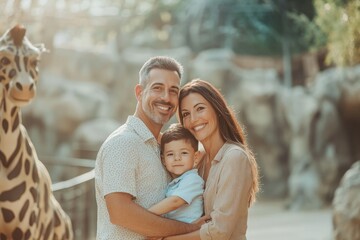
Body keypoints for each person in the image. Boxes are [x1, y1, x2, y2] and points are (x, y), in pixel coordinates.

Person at [95, 57, 207, 240]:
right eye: (157, 88)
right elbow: (120, 213)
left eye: (173, 91)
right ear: (139, 92)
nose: (166, 97)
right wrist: (191, 229)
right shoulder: (123, 143)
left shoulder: (162, 146)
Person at [164, 79, 260, 240]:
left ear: (217, 109)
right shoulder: (197, 161)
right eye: (186, 114)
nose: (193, 119)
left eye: (200, 109)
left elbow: (219, 231)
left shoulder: (234, 158)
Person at [148, 123, 204, 223]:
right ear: (163, 160)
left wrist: (144, 215)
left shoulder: (193, 179)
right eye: (170, 154)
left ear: (195, 157)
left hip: (188, 232)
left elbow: (175, 202)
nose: (177, 158)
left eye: (184, 153)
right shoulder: (174, 182)